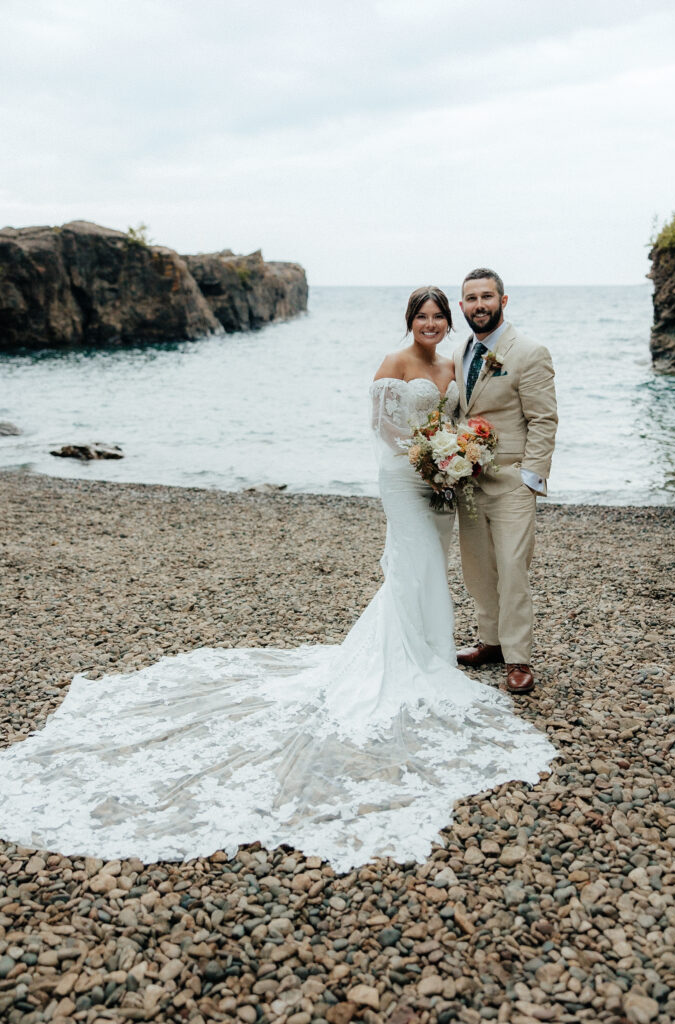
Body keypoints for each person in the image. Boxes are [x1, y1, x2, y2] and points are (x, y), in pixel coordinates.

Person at [0, 288, 555, 873]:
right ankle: (411, 656)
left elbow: (466, 419)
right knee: (412, 567)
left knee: (432, 572)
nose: (433, 324)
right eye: (425, 316)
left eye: (441, 316)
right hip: (405, 478)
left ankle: (432, 650)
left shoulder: (454, 363)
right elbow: (381, 429)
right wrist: (424, 458)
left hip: (443, 483)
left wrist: (450, 460)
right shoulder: (396, 363)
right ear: (410, 321)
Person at [453, 269, 558, 695]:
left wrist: (530, 480)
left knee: (513, 570)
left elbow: (544, 419)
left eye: (487, 297)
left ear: (503, 300)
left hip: (513, 481)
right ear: (462, 306)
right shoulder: (461, 352)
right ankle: (491, 643)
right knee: (478, 568)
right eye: (471, 299)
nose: (479, 305)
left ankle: (518, 658)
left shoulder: (529, 352)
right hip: (469, 482)